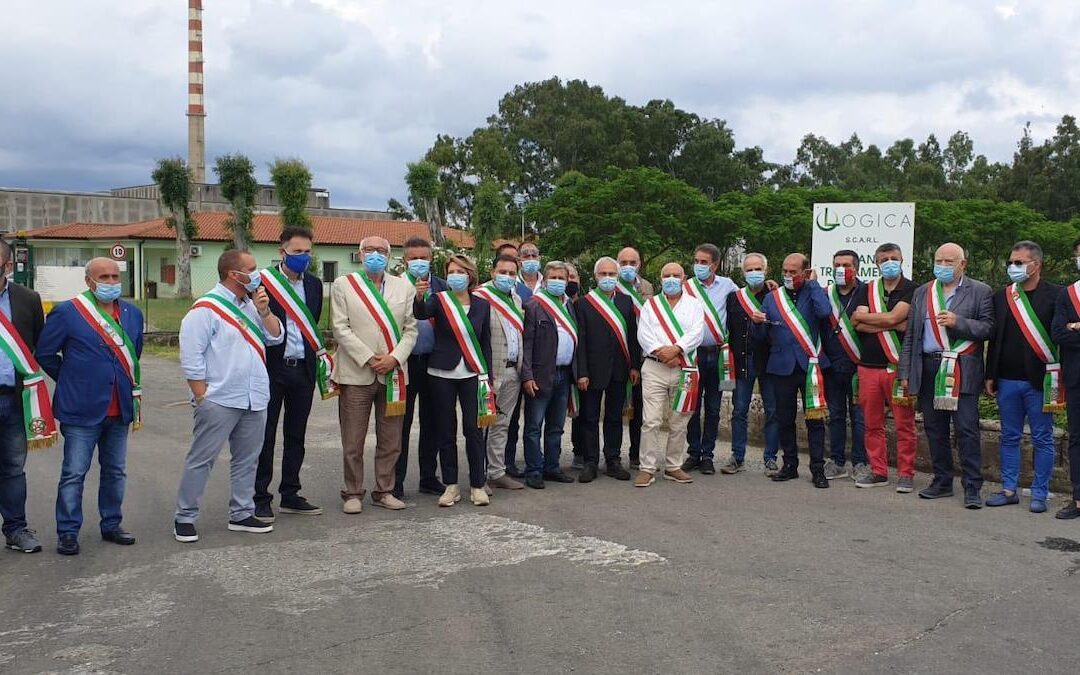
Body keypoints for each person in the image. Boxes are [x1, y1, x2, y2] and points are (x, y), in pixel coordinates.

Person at [175, 250, 284, 543]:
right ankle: (185, 517)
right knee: (202, 459)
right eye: (252, 268)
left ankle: (241, 513)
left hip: (254, 396)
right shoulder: (205, 309)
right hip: (219, 398)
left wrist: (265, 312)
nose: (258, 273)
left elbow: (276, 337)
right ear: (234, 274)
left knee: (247, 460)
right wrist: (202, 396)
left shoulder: (251, 306)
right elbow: (191, 357)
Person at [36, 258, 143, 555]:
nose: (111, 282)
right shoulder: (68, 312)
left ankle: (111, 523)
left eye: (115, 276)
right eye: (104, 277)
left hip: (119, 408)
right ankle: (68, 531)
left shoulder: (133, 314)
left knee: (115, 471)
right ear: (88, 281)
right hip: (81, 409)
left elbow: (134, 354)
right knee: (74, 473)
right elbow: (45, 353)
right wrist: (71, 379)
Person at [899, 243, 994, 509]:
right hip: (929, 367)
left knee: (966, 429)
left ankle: (972, 486)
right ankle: (942, 481)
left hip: (962, 367)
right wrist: (905, 371)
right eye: (938, 260)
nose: (942, 266)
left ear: (963, 264)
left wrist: (958, 322)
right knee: (934, 428)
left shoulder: (980, 291)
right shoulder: (923, 292)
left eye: (948, 262)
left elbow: (988, 328)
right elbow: (912, 335)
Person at [331, 237, 418, 514]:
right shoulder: (344, 284)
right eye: (370, 250)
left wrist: (394, 358)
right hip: (356, 373)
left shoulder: (404, 286)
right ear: (360, 254)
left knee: (391, 439)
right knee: (353, 440)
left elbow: (411, 329)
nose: (375, 255)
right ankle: (352, 492)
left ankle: (385, 490)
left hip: (393, 374)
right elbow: (340, 328)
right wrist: (369, 358)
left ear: (390, 256)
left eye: (382, 251)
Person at [254, 227, 327, 523]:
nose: (303, 257)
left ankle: (291, 493)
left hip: (303, 369)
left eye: (307, 251)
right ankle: (260, 497)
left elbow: (312, 324)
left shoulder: (314, 285)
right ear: (282, 252)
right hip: (272, 368)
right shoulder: (263, 282)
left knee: (296, 434)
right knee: (266, 435)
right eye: (297, 252)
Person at [985, 241, 1061, 513]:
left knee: (1043, 438)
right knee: (1009, 436)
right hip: (1007, 379)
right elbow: (995, 338)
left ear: (1035, 265)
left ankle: (1040, 492)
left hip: (1041, 380)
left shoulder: (1057, 295)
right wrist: (990, 374)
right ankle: (1008, 489)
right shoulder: (1003, 296)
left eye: (1018, 263)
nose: (1012, 267)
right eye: (1010, 262)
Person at [415, 255, 495, 506]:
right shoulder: (439, 300)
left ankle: (478, 484)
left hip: (472, 373)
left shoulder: (482, 305)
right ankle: (451, 485)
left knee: (473, 429)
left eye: (461, 271)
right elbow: (420, 313)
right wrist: (420, 296)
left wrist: (488, 378)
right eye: (451, 272)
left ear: (470, 275)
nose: (455, 276)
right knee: (445, 430)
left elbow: (485, 342)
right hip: (441, 372)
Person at [753, 254, 833, 488]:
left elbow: (824, 312)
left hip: (810, 366)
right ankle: (789, 465)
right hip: (782, 366)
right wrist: (757, 324)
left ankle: (817, 469)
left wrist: (813, 283)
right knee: (784, 419)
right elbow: (762, 335)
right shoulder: (772, 298)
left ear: (805, 272)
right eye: (785, 271)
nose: (788, 276)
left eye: (793, 272)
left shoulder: (814, 292)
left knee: (815, 420)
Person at [850, 243, 918, 491]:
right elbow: (857, 322)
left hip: (898, 367)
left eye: (893, 258)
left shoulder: (911, 288)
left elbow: (892, 317)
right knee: (872, 423)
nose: (889, 262)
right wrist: (893, 324)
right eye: (884, 259)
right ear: (876, 263)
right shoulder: (866, 290)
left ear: (901, 260)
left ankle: (906, 473)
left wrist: (880, 320)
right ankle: (878, 471)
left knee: (904, 424)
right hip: (868, 367)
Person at [0, 240, 50, 554]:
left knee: (13, 469)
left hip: (13, 399)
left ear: (7, 266)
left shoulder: (28, 299)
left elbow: (39, 347)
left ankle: (16, 529)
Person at [634, 263, 704, 487]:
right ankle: (647, 468)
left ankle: (673, 466)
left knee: (680, 419)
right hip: (655, 367)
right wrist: (661, 353)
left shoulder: (694, 305)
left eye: (676, 275)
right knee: (651, 420)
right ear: (660, 278)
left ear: (684, 278)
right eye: (667, 275)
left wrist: (677, 350)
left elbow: (697, 332)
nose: (671, 279)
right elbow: (643, 333)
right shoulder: (651, 304)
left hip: (685, 368)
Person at [574, 256, 639, 482]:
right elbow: (581, 341)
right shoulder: (584, 303)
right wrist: (582, 372)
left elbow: (632, 336)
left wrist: (634, 366)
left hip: (620, 369)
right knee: (589, 417)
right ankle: (590, 462)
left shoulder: (626, 302)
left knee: (614, 417)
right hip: (592, 372)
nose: (608, 278)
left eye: (612, 274)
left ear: (618, 276)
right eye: (603, 274)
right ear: (595, 276)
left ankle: (613, 460)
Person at [394, 236, 449, 499]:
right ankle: (396, 480)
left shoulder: (442, 286)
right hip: (405, 363)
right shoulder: (395, 286)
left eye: (423, 258)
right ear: (405, 260)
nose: (419, 262)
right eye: (414, 258)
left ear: (431, 259)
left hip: (434, 361)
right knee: (400, 424)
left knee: (432, 422)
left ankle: (428, 476)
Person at [720, 253, 780, 476]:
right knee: (739, 411)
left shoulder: (776, 295)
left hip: (769, 362)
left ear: (766, 270)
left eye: (758, 269)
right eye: (749, 269)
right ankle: (737, 457)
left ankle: (771, 458)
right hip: (742, 361)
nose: (754, 273)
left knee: (773, 411)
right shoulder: (734, 298)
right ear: (743, 272)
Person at [681, 244, 738, 476]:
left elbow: (747, 300)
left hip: (718, 356)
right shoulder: (686, 287)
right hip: (693, 355)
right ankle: (693, 453)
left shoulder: (728, 285)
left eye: (704, 262)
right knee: (691, 407)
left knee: (714, 408)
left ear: (715, 264)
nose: (699, 266)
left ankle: (707, 456)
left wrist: (768, 285)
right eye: (696, 261)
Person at [521, 261, 578, 489]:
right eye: (553, 277)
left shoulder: (569, 305)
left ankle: (552, 467)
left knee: (556, 426)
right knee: (534, 426)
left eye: (561, 278)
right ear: (544, 280)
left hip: (564, 374)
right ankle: (534, 470)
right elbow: (527, 343)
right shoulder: (534, 305)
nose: (557, 281)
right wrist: (527, 376)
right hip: (540, 374)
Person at [473, 254, 525, 491]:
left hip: (513, 370)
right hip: (489, 371)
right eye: (503, 272)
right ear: (493, 272)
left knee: (502, 425)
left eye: (512, 273)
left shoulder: (516, 298)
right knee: (482, 425)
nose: (507, 277)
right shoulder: (480, 297)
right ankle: (479, 476)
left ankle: (496, 472)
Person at [821, 249, 868, 482]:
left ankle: (860, 462)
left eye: (846, 265)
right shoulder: (825, 293)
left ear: (856, 268)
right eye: (837, 265)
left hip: (859, 364)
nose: (841, 269)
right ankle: (837, 461)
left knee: (860, 417)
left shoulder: (868, 292)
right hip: (832, 365)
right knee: (836, 415)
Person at [616, 247, 655, 470]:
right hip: (618, 352)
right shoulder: (611, 286)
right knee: (616, 407)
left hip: (641, 352)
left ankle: (636, 454)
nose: (628, 266)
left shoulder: (647, 287)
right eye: (624, 262)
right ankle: (612, 455)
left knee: (639, 408)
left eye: (633, 262)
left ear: (639, 263)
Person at [1051, 237, 1080, 519]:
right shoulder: (1067, 294)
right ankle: (1078, 498)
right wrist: (1069, 328)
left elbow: (1070, 332)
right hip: (1076, 377)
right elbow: (1059, 333)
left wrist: (1077, 327)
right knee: (1077, 438)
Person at [566, 262, 588, 470]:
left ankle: (580, 452)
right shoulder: (550, 304)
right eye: (566, 277)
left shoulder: (585, 304)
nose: (569, 281)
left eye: (573, 277)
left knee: (580, 413)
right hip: (557, 367)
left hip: (580, 366)